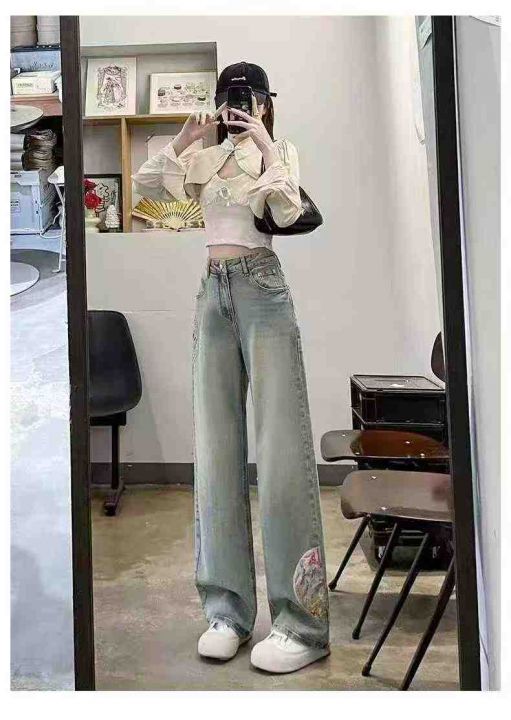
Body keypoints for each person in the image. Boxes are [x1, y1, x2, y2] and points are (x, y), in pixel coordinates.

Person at [132, 62, 330, 674]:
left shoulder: (280, 151)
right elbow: (146, 185)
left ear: (266, 103)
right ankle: (226, 611)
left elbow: (287, 210)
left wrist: (266, 142)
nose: (238, 107)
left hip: (262, 290)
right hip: (212, 294)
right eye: (229, 98)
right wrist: (187, 137)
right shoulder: (205, 159)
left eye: (249, 98)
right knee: (216, 449)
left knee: (280, 449)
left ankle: (301, 623)